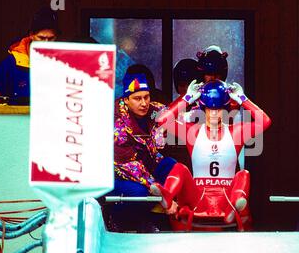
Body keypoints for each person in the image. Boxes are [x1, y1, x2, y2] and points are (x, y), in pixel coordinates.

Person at [150, 78, 271, 231]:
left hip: (227, 198)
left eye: (218, 109)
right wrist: (186, 98)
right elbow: (162, 120)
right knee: (180, 167)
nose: (214, 114)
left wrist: (242, 99)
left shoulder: (236, 132)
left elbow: (265, 121)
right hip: (197, 198)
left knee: (244, 174)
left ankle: (236, 206)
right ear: (203, 108)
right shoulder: (192, 132)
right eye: (210, 109)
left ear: (225, 109)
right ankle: (167, 195)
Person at [103, 65, 177, 233]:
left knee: (171, 166)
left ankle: (143, 219)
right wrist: (163, 195)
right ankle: (117, 219)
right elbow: (131, 167)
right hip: (118, 175)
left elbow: (172, 114)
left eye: (147, 97)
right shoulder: (117, 121)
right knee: (140, 192)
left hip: (146, 169)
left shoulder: (151, 111)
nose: (144, 103)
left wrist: (188, 99)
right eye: (137, 98)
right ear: (126, 99)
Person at [0, 7, 60, 105]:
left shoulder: (62, 64)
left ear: (56, 37)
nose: (46, 43)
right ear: (31, 35)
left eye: (51, 38)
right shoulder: (9, 65)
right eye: (41, 38)